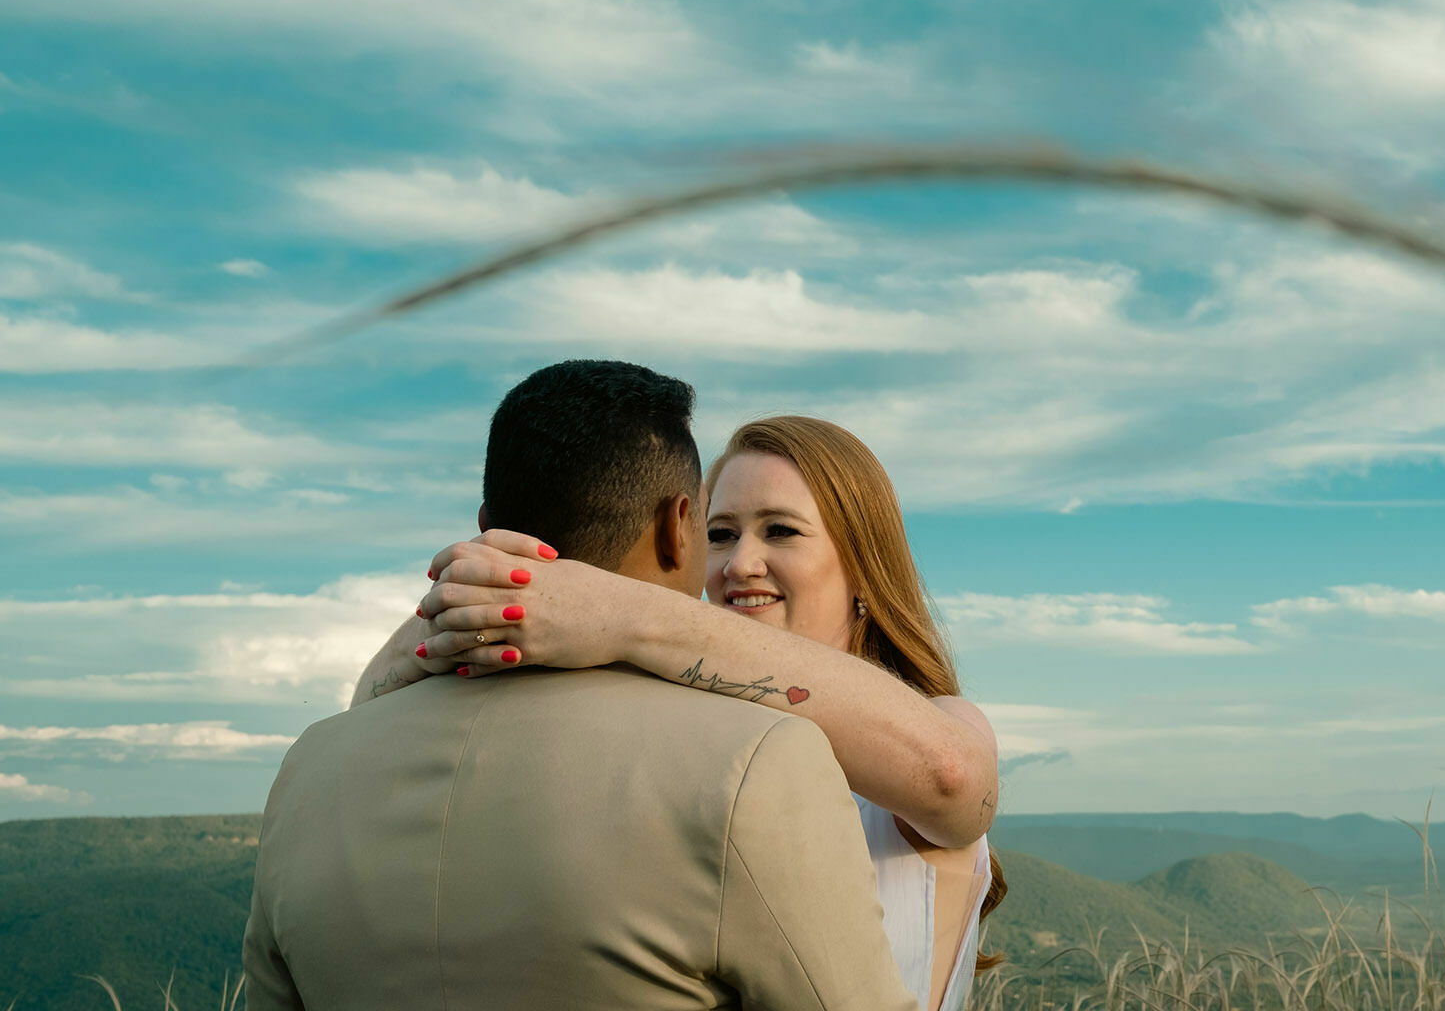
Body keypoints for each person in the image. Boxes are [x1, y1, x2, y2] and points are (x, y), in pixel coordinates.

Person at [247, 361, 920, 1011]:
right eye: (716, 528)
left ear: (488, 528)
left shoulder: (312, 765)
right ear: (676, 525)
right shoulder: (754, 761)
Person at [357, 414, 1006, 1011]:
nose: (739, 563)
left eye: (779, 530)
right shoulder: (699, 745)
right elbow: (363, 717)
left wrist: (624, 610)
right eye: (719, 535)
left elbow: (952, 777)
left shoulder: (941, 720)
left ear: (865, 567)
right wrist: (465, 600)